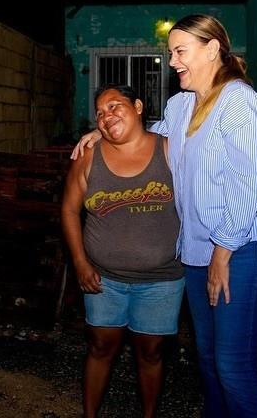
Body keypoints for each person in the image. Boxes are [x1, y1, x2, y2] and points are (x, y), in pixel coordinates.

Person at [74, 14, 257, 417]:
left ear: (212, 50)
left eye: (180, 51)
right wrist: (106, 131)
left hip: (243, 245)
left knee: (233, 363)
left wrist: (222, 253)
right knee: (207, 359)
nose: (172, 61)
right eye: (171, 52)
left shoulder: (239, 103)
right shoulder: (182, 103)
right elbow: (153, 137)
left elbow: (248, 184)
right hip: (198, 248)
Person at [62, 84, 184, 418]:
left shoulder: (172, 151)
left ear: (139, 106)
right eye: (100, 113)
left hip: (162, 280)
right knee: (101, 347)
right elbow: (69, 209)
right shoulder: (89, 156)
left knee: (151, 353)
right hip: (104, 279)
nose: (106, 117)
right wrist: (79, 262)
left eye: (115, 106)